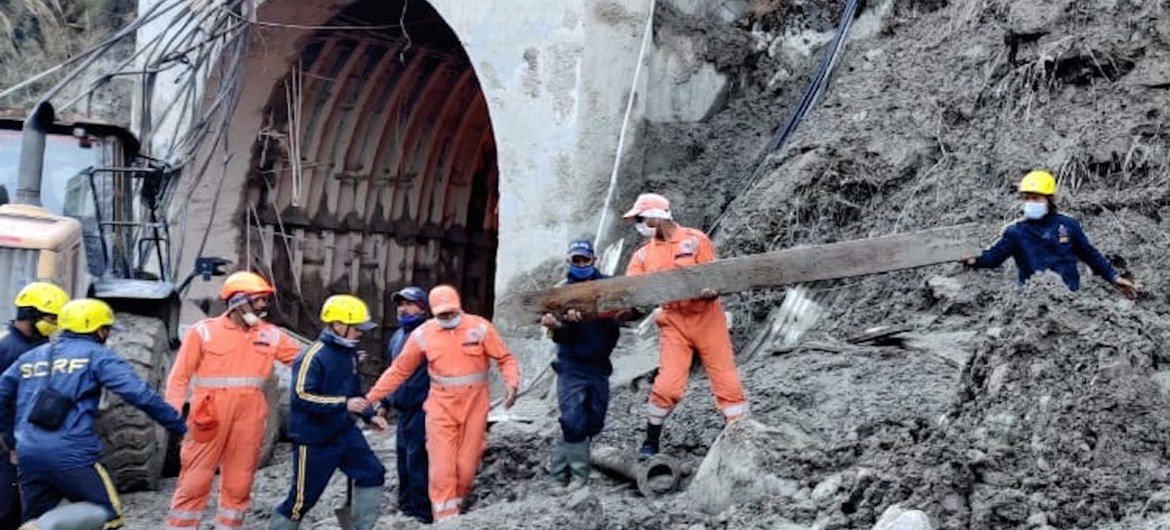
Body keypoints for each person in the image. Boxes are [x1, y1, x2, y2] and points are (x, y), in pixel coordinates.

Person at [0, 299, 187, 528]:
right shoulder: (97, 356)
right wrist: (178, 427)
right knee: (108, 515)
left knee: (33, 516)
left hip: (28, 455)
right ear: (98, 330)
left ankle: (38, 525)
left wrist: (11, 441)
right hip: (72, 454)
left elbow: (2, 396)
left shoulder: (32, 356)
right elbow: (140, 394)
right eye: (107, 329)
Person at [365, 285, 520, 523]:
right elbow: (398, 371)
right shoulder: (422, 335)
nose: (447, 318)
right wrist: (371, 398)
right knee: (441, 469)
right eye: (442, 315)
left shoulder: (479, 328)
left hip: (474, 405)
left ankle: (457, 508)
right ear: (433, 312)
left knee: (466, 466)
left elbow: (505, 358)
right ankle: (445, 519)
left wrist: (512, 382)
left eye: (451, 313)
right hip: (440, 407)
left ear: (459, 308)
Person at [165, 271, 303, 530]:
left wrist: (338, 354)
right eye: (258, 300)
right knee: (194, 482)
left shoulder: (269, 335)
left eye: (264, 300)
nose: (263, 306)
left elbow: (306, 361)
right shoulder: (203, 332)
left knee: (239, 485)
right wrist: (172, 415)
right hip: (208, 416)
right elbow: (179, 377)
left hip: (249, 416)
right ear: (238, 302)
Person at [623, 193, 749, 458]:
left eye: (641, 218)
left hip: (707, 318)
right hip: (673, 322)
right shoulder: (643, 256)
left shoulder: (695, 239)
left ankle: (740, 438)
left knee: (727, 382)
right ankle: (651, 441)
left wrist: (711, 291)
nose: (638, 223)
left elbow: (715, 277)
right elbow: (631, 293)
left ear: (657, 217)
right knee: (667, 385)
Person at [269, 295, 387, 530]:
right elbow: (302, 397)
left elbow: (355, 391)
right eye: (356, 328)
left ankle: (359, 527)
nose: (360, 333)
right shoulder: (312, 356)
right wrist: (344, 404)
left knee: (372, 472)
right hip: (314, 439)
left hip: (343, 432)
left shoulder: (349, 354)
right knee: (301, 501)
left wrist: (370, 415)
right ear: (338, 325)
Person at [963, 170, 1138, 298]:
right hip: (1031, 302)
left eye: (1036, 198)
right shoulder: (1015, 232)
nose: (1031, 202)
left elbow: (1089, 254)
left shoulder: (1068, 225)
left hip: (1069, 300)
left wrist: (1114, 277)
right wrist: (973, 259)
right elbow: (993, 257)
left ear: (1049, 199)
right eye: (1027, 198)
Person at [540, 240, 628, 492]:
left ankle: (564, 468)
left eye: (584, 260)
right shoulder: (560, 294)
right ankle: (569, 478)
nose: (580, 265)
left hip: (600, 364)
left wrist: (628, 312)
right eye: (575, 261)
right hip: (572, 364)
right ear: (569, 262)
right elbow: (557, 334)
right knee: (572, 418)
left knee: (592, 422)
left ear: (594, 260)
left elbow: (629, 312)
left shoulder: (609, 287)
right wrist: (559, 326)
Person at [0, 281, 69, 529]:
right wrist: (8, 442)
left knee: (31, 510)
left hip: (31, 443)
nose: (55, 326)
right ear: (31, 314)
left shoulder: (42, 348)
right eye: (52, 318)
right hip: (8, 446)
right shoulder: (6, 346)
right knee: (6, 508)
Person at [380, 286, 432, 523]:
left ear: (422, 308)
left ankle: (421, 512)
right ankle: (405, 507)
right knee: (403, 459)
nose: (403, 308)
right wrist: (385, 402)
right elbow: (394, 372)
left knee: (418, 459)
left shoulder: (429, 335)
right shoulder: (398, 336)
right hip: (404, 410)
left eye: (409, 303)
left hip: (423, 408)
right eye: (400, 304)